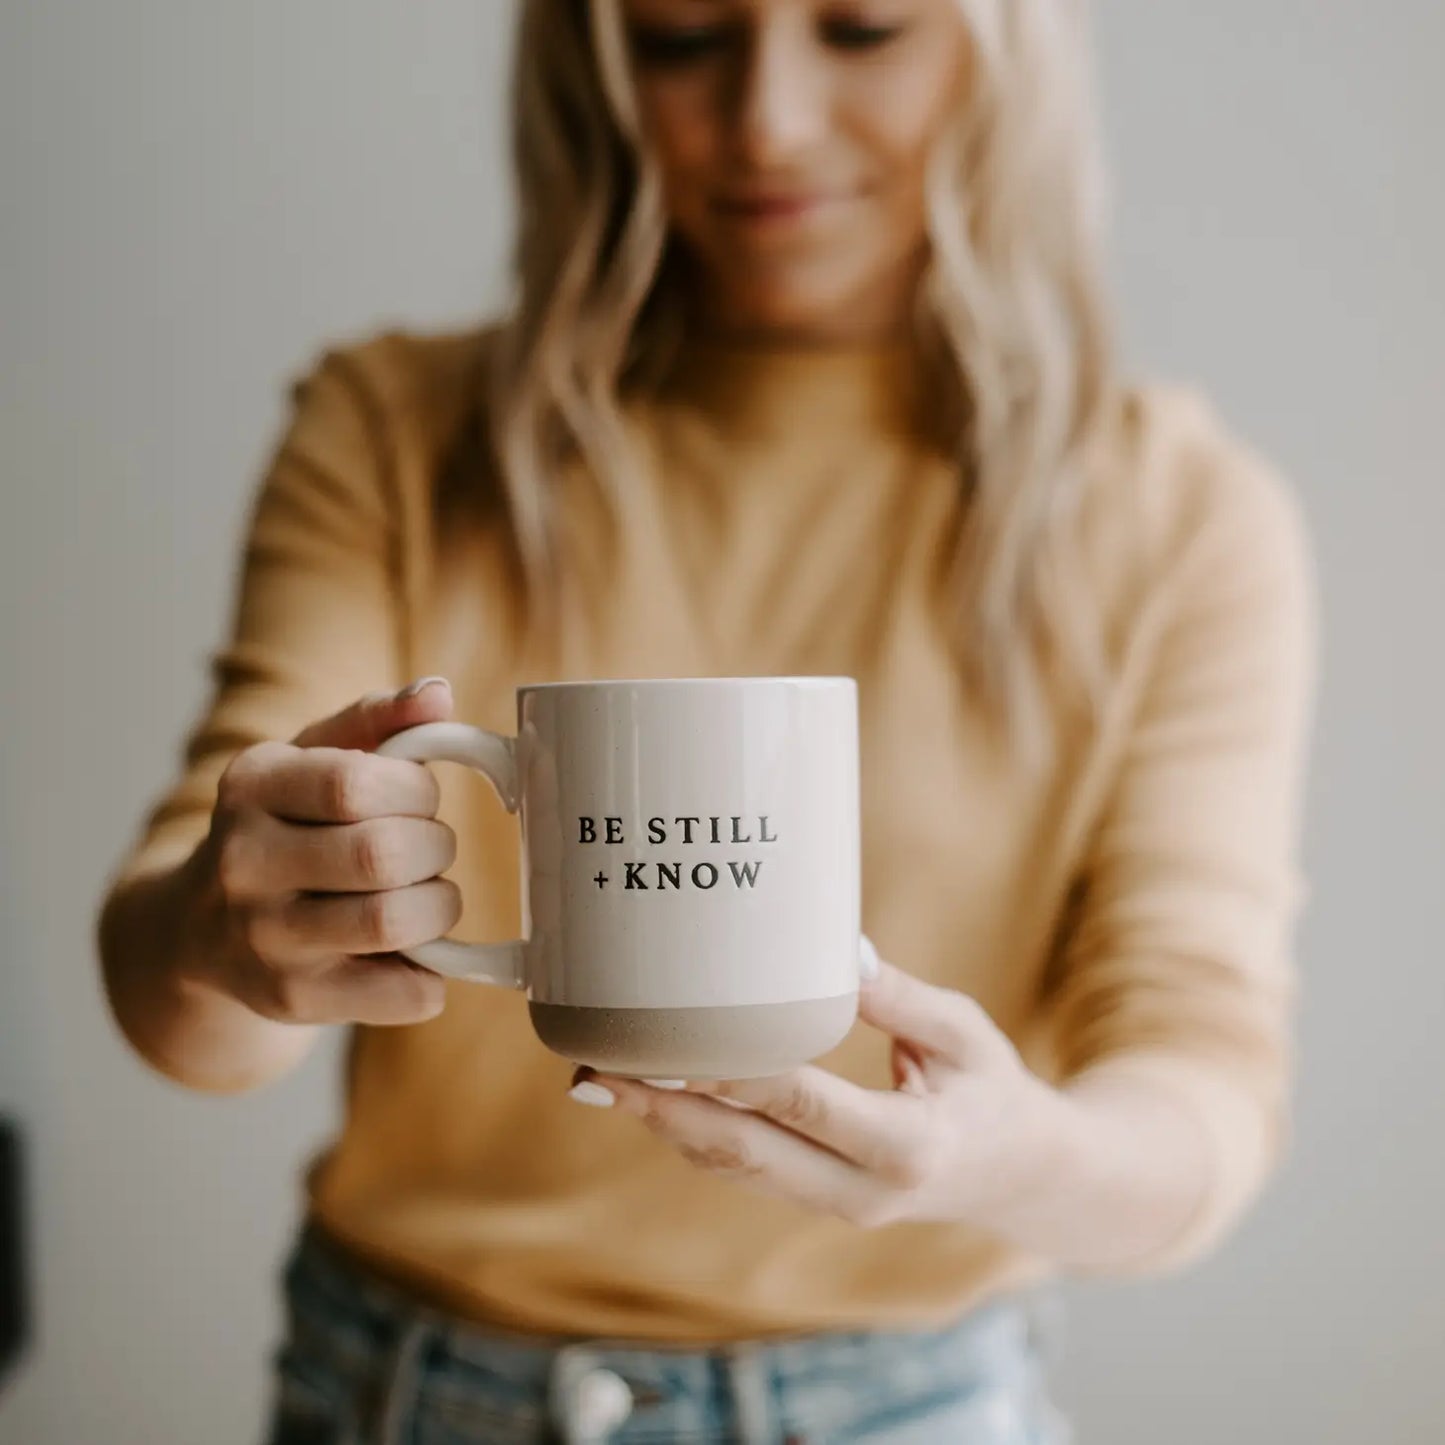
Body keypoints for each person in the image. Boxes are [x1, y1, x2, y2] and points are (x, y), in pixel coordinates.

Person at [97, 1, 1317, 1441]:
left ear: (1005, 56)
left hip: (909, 1405)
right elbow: (182, 1009)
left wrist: (999, 1156)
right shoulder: (394, 434)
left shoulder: (1174, 516)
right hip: (400, 1395)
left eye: (861, 30)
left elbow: (1196, 1081)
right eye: (682, 36)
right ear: (590, 69)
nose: (768, 123)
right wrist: (228, 931)